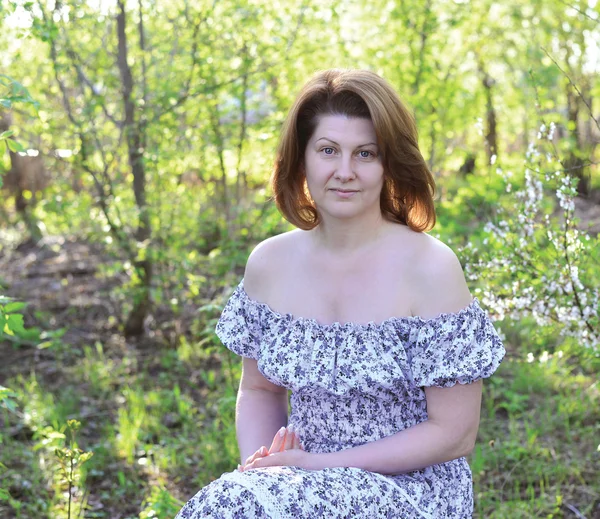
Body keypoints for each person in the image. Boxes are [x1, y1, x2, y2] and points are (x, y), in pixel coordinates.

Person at [175, 68, 506, 518]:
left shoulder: (430, 267)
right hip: (299, 486)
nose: (345, 172)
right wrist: (262, 474)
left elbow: (454, 433)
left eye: (365, 154)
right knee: (230, 503)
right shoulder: (269, 264)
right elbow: (259, 390)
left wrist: (316, 467)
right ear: (302, 158)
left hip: (411, 490)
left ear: (389, 162)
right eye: (328, 150)